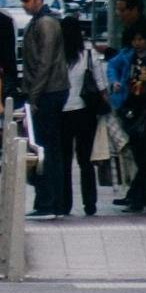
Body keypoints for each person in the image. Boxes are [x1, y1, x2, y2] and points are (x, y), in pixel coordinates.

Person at [20, 0, 69, 220]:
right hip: (47, 91)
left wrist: (33, 97)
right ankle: (49, 200)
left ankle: (49, 201)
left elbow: (45, 62)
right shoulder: (39, 21)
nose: (24, 6)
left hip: (49, 92)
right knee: (46, 147)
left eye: (27, 1)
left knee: (46, 148)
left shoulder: (46, 23)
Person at [58, 15, 106, 217]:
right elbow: (101, 85)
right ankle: (90, 203)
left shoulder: (57, 55)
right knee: (85, 161)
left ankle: (65, 203)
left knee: (64, 161)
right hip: (85, 112)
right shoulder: (88, 54)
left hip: (62, 112)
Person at [108, 27, 146, 211]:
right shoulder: (127, 56)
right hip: (131, 107)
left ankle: (139, 196)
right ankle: (139, 196)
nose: (137, 43)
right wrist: (115, 82)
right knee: (140, 155)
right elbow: (112, 66)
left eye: (141, 39)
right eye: (135, 39)